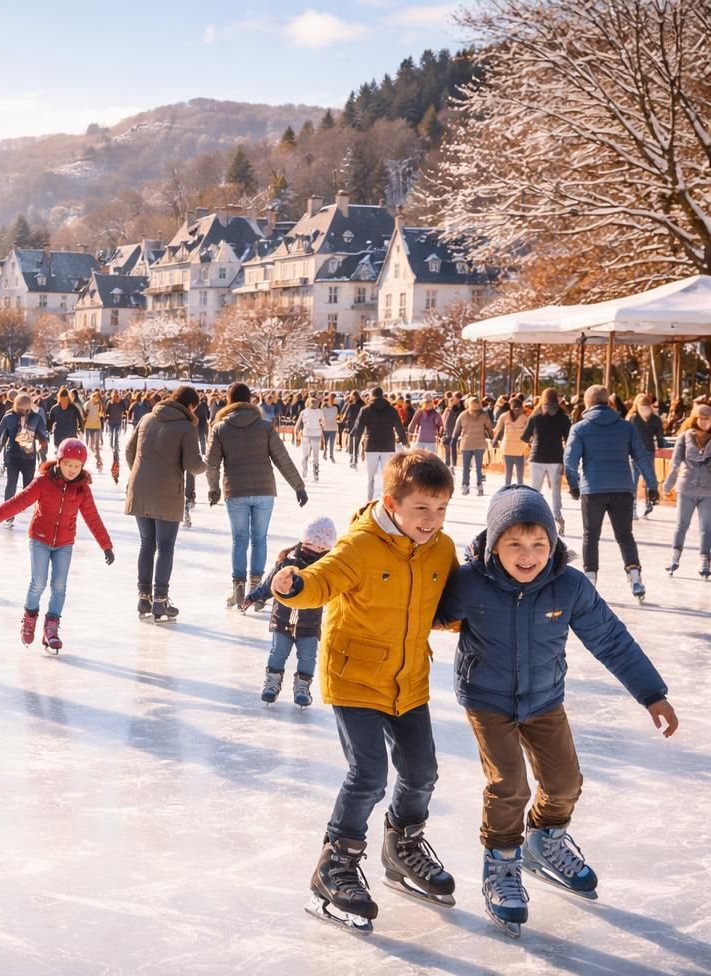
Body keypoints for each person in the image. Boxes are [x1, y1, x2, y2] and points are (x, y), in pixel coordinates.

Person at [435, 485, 677, 937]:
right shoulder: (469, 582)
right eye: (514, 544)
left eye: (538, 544)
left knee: (565, 783)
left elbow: (610, 639)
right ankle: (502, 862)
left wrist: (651, 693)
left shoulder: (569, 586)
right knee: (508, 784)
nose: (527, 555)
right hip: (486, 698)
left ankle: (544, 841)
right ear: (493, 543)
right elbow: (420, 613)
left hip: (544, 698)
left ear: (553, 543)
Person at [271, 450, 459, 932]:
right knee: (369, 775)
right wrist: (294, 587)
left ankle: (403, 846)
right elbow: (322, 580)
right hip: (355, 678)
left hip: (409, 678)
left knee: (422, 772)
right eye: (421, 509)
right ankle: (334, 865)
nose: (431, 520)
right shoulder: (361, 546)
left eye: (440, 510)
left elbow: (449, 601)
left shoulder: (442, 549)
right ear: (391, 503)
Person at [0, 438, 114, 652]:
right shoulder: (43, 482)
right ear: (59, 462)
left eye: (77, 466)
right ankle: (30, 617)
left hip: (64, 543)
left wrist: (106, 545)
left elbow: (93, 518)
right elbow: (19, 502)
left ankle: (51, 628)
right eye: (68, 464)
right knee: (38, 582)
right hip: (40, 539)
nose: (72, 470)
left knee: (59, 586)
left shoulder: (82, 490)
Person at [205, 382, 308, 611]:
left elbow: (211, 464)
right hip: (264, 491)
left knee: (239, 540)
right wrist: (298, 486)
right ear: (250, 400)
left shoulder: (220, 428)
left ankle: (239, 589)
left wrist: (213, 489)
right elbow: (282, 458)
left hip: (236, 491)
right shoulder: (264, 426)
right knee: (259, 539)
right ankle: (257, 591)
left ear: (229, 401)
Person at [565, 384, 658, 598]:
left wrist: (574, 484)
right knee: (625, 536)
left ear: (587, 404)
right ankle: (635, 578)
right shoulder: (625, 427)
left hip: (593, 489)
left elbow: (570, 461)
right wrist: (652, 485)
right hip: (623, 488)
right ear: (609, 402)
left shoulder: (579, 428)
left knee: (591, 536)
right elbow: (641, 457)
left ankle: (590, 580)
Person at [124, 385, 205, 622]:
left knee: (146, 543)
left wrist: (141, 476)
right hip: (168, 492)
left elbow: (130, 451)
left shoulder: (147, 418)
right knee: (165, 545)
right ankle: (160, 599)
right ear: (190, 405)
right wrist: (208, 463)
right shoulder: (186, 426)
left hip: (140, 489)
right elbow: (193, 465)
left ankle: (144, 597)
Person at [241, 516, 337, 707]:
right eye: (311, 546)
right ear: (304, 541)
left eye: (320, 549)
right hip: (282, 619)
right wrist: (253, 596)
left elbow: (335, 589)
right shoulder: (288, 562)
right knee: (278, 652)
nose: (315, 551)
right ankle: (272, 683)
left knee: (308, 656)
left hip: (310, 623)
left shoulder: (325, 568)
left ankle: (302, 687)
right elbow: (270, 585)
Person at [664, 401, 711, 578]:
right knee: (681, 525)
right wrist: (668, 485)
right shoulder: (684, 437)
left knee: (707, 528)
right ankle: (675, 555)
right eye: (701, 419)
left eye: (708, 419)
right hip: (686, 488)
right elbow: (675, 463)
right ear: (695, 419)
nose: (705, 422)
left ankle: (705, 557)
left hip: (708, 491)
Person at [521, 388, 571, 535]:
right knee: (555, 491)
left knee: (535, 490)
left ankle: (533, 518)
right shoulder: (563, 417)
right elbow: (569, 438)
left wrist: (533, 442)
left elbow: (525, 437)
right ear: (557, 399)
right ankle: (557, 516)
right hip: (555, 458)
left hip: (536, 457)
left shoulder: (535, 416)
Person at [0, 393, 49, 514]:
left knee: (28, 487)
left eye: (23, 409)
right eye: (18, 409)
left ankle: (24, 508)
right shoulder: (8, 417)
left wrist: (43, 451)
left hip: (29, 458)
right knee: (11, 484)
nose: (21, 412)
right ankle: (7, 512)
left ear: (29, 408)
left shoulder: (36, 418)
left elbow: (43, 436)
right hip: (12, 456)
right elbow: (3, 436)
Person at [355, 387, 407, 500]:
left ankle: (370, 500)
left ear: (371, 395)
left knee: (371, 477)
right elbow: (399, 427)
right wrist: (405, 441)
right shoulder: (392, 410)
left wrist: (355, 448)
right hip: (388, 445)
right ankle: (386, 500)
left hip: (371, 445)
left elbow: (358, 430)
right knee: (386, 476)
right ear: (383, 395)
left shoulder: (365, 410)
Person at [626, 393, 667, 517]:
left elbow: (660, 435)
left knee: (649, 478)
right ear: (637, 407)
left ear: (650, 407)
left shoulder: (655, 419)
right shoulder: (633, 418)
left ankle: (649, 503)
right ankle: (632, 508)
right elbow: (627, 435)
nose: (644, 411)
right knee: (634, 479)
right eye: (641, 408)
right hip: (634, 453)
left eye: (646, 408)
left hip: (648, 451)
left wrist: (661, 445)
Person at [452, 396, 495, 497]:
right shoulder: (484, 415)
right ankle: (479, 486)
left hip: (466, 444)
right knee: (479, 467)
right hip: (480, 443)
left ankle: (465, 486)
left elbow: (456, 430)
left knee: (466, 467)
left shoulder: (463, 415)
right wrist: (492, 437)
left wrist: (454, 439)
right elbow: (490, 428)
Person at [492, 397, 530, 487]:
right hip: (520, 450)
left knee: (508, 475)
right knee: (520, 476)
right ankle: (520, 491)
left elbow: (497, 430)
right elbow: (530, 432)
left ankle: (506, 491)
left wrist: (494, 440)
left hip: (507, 448)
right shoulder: (525, 418)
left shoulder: (504, 416)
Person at [296, 397, 328, 481]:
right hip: (316, 434)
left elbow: (298, 424)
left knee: (305, 453)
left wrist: (296, 433)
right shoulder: (319, 412)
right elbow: (324, 423)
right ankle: (315, 471)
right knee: (315, 454)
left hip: (307, 434)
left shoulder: (304, 412)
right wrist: (321, 425)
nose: (316, 405)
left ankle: (305, 468)